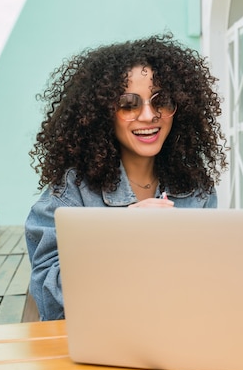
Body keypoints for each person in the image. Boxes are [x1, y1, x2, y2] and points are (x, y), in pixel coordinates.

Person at [25, 33, 228, 321]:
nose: (148, 115)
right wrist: (120, 236)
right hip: (99, 351)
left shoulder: (197, 190)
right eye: (129, 104)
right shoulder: (70, 193)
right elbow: (51, 303)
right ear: (102, 113)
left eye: (161, 100)